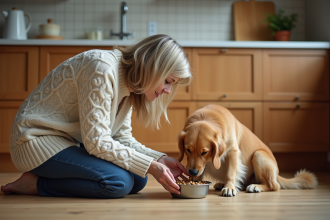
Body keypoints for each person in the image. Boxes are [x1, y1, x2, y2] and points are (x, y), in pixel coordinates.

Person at [1, 34, 192, 198]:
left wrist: (158, 160)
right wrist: (150, 166)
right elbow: (97, 142)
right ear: (153, 67)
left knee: (138, 178)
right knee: (119, 182)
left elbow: (120, 137)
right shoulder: (102, 68)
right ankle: (34, 184)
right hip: (35, 140)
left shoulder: (131, 87)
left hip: (69, 141)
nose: (168, 91)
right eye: (168, 81)